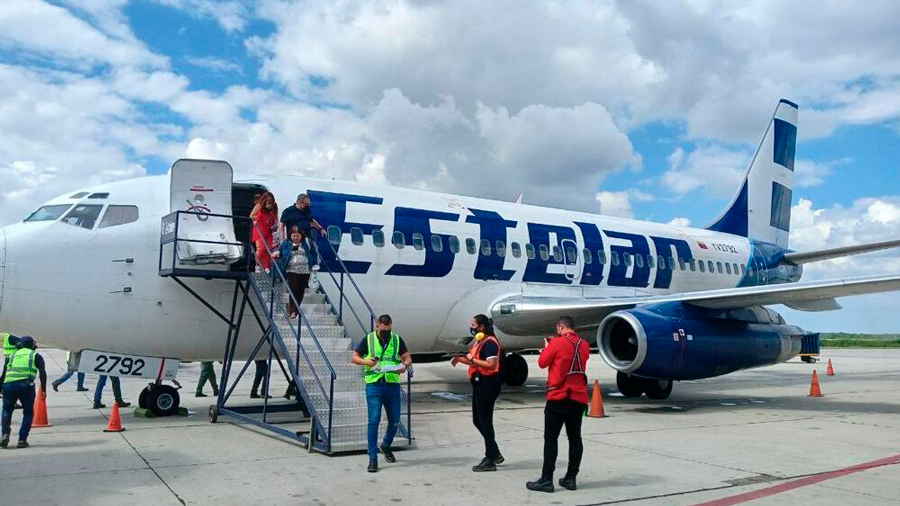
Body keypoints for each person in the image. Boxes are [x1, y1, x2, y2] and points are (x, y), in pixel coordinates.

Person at [526, 316, 590, 493]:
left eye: (557, 329)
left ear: (561, 327)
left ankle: (547, 479)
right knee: (575, 437)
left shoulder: (557, 343)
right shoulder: (584, 344)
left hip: (559, 396)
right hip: (578, 397)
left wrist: (548, 347)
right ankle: (571, 478)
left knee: (551, 438)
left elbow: (542, 363)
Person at [351, 314, 411, 473]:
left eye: (389, 330)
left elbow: (407, 358)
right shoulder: (368, 339)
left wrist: (404, 366)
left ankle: (385, 445)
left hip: (392, 385)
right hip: (374, 385)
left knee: (395, 421)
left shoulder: (396, 339)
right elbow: (354, 357)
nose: (386, 333)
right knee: (374, 420)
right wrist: (366, 362)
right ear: (377, 326)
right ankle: (372, 458)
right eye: (384, 330)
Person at [450, 314, 504, 471]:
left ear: (481, 327)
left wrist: (471, 360)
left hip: (488, 384)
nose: (471, 327)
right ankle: (494, 453)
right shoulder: (481, 341)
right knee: (478, 420)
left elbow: (491, 364)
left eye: (473, 325)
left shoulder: (490, 343)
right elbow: (474, 360)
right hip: (480, 384)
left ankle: (490, 458)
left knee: (485, 421)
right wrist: (460, 359)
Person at [1, 336, 47, 449]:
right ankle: (22, 440)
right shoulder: (35, 355)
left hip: (8, 385)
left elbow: (4, 374)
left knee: (7, 410)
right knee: (28, 412)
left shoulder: (11, 355)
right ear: (32, 345)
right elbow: (42, 373)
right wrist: (44, 390)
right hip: (25, 385)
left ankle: (4, 434)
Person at [274, 226, 318, 318]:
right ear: (290, 235)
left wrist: (314, 264)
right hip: (291, 269)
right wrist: (277, 253)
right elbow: (280, 251)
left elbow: (313, 253)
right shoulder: (286, 243)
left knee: (301, 290)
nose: (295, 238)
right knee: (293, 288)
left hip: (305, 270)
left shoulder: (307, 242)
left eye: (297, 236)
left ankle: (295, 309)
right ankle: (293, 310)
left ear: (301, 236)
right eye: (293, 236)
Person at [250, 191, 278, 273]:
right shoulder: (259, 206)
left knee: (268, 248)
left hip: (268, 231)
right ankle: (258, 265)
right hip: (259, 230)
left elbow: (275, 217)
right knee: (261, 248)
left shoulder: (273, 206)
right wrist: (261, 218)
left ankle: (266, 266)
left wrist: (274, 225)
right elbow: (251, 216)